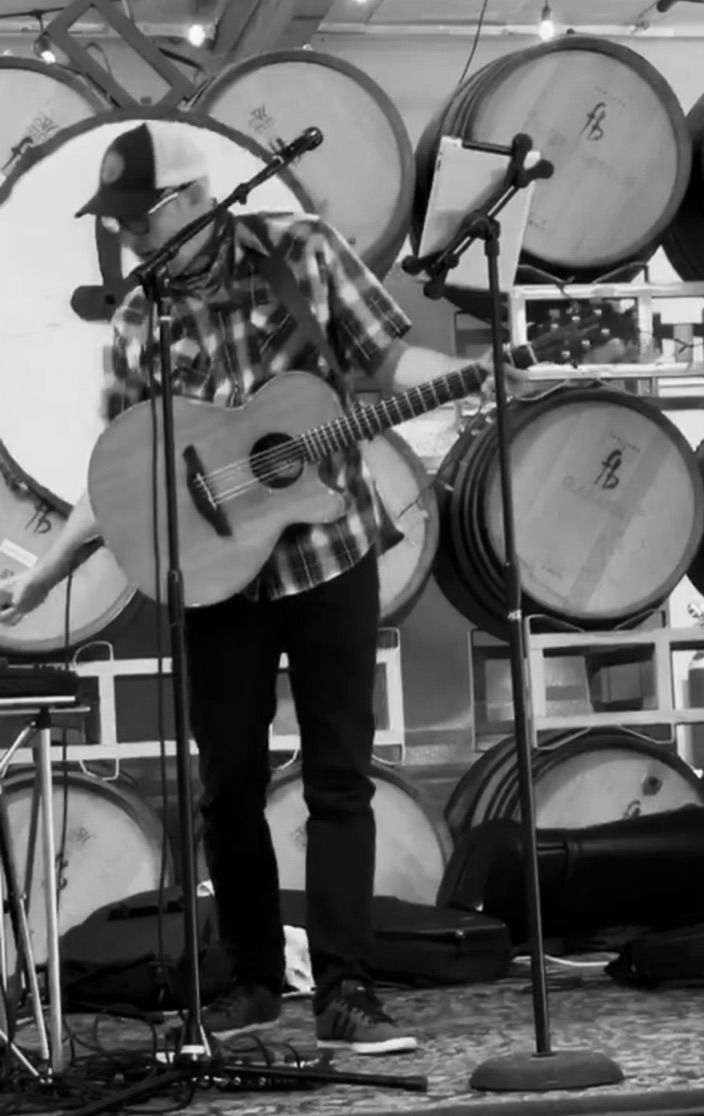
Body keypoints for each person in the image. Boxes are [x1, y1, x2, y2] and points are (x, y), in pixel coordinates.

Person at [0, 121, 529, 1054]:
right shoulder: (139, 320)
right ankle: (252, 979)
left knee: (338, 777)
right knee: (228, 787)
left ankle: (347, 990)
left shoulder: (301, 253)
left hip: (330, 556)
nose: (125, 235)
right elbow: (118, 479)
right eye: (118, 221)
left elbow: (382, 360)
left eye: (136, 218)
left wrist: (464, 378)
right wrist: (45, 572)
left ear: (189, 201)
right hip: (216, 584)